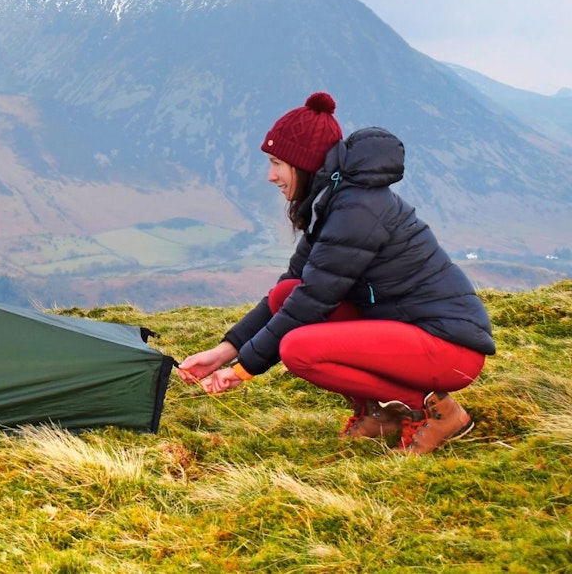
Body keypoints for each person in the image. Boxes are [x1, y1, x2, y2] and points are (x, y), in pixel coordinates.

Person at [176, 92, 495, 454]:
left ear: (304, 162)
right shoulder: (334, 204)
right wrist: (223, 352)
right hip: (412, 334)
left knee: (298, 349)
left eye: (277, 162)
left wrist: (242, 369)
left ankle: (434, 411)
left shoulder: (356, 210)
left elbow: (312, 303)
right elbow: (290, 292)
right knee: (286, 294)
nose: (271, 175)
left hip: (449, 349)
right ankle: (379, 411)